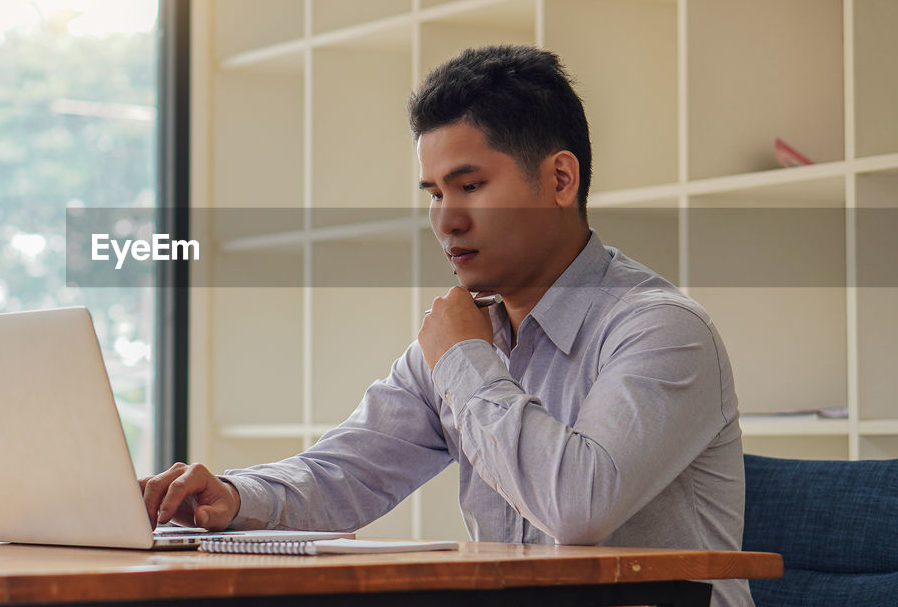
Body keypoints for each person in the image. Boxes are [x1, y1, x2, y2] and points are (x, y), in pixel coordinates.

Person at [141, 45, 751, 607]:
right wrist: (234, 496)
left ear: (560, 180)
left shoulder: (661, 330)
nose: (446, 220)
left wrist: (464, 356)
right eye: (433, 192)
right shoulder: (466, 334)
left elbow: (577, 507)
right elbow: (347, 472)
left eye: (471, 186)